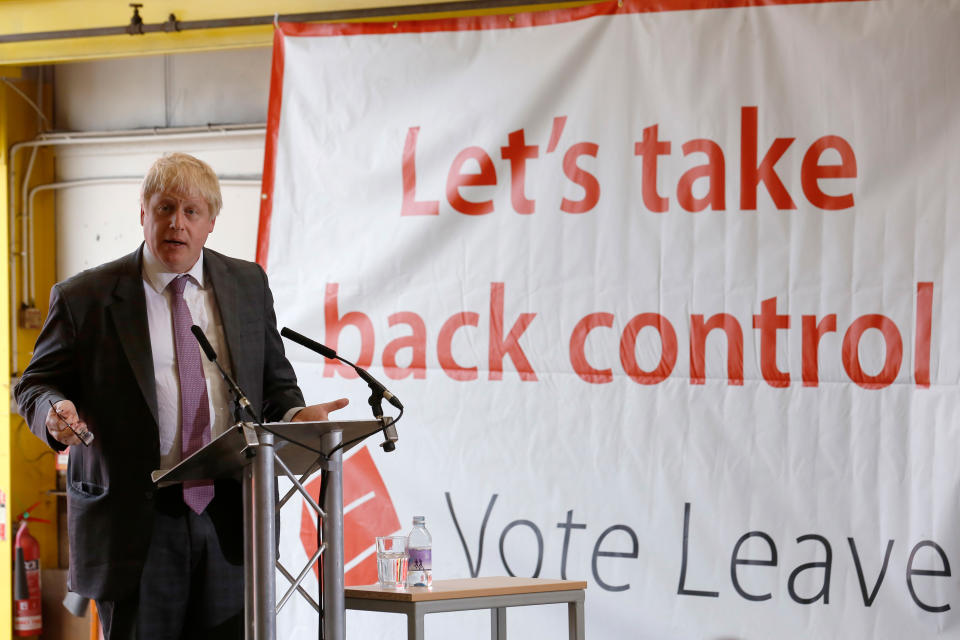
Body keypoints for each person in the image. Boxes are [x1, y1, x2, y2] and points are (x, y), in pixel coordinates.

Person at [14, 152, 347, 638]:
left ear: (211, 223)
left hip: (230, 516)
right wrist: (51, 412)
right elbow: (35, 383)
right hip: (136, 524)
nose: (177, 223)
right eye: (165, 207)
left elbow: (273, 384)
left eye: (192, 211)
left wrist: (297, 414)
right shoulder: (86, 296)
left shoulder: (247, 285)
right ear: (143, 213)